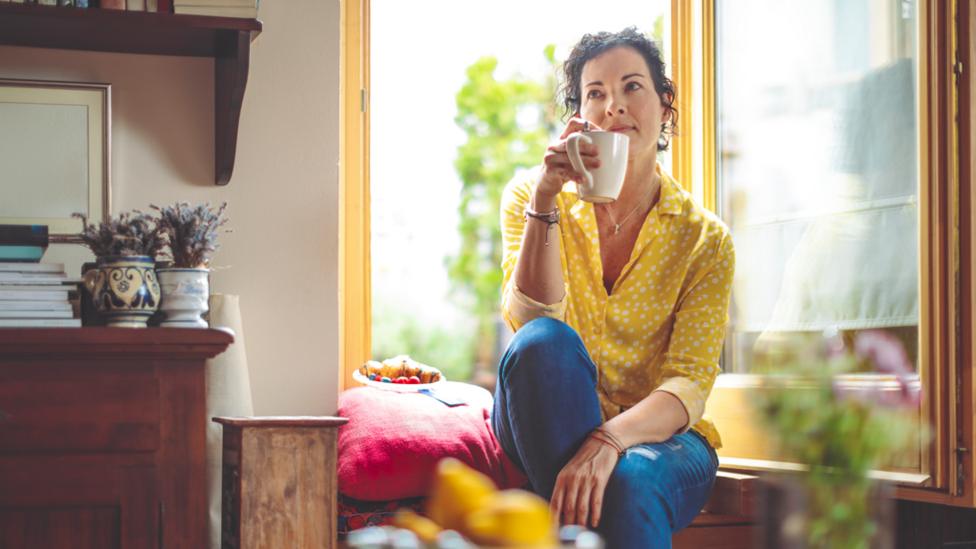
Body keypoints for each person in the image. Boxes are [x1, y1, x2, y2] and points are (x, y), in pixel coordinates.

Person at [490, 27, 735, 548]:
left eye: (631, 87)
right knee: (543, 343)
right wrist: (546, 201)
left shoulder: (705, 240)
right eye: (595, 94)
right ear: (579, 116)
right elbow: (532, 328)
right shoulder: (531, 197)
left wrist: (609, 439)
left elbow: (687, 385)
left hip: (659, 438)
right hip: (542, 410)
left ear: (665, 108)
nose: (613, 107)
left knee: (631, 480)